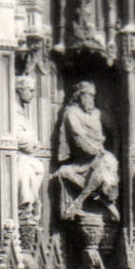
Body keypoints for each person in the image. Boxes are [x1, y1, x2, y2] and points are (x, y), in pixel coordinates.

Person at [53, 80, 119, 220]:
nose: (91, 99)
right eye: (87, 95)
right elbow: (78, 137)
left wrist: (116, 150)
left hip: (101, 156)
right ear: (79, 95)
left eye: (92, 95)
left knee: (107, 165)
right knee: (67, 172)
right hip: (83, 159)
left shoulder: (97, 113)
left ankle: (83, 201)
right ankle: (104, 202)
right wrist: (95, 151)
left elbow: (115, 129)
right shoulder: (71, 112)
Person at [12, 74, 46, 223]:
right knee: (25, 169)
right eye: (30, 90)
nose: (33, 95)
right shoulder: (11, 110)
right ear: (19, 90)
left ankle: (30, 206)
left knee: (37, 167)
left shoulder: (21, 111)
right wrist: (30, 143)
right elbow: (15, 135)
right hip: (16, 156)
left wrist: (32, 143)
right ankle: (24, 208)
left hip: (25, 155)